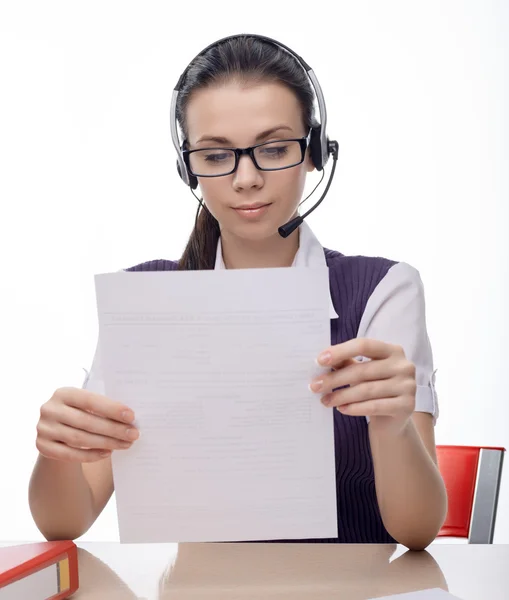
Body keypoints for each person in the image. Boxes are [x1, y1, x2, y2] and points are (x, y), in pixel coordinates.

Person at [29, 34, 447, 550]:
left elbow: (417, 530)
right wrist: (57, 450)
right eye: (215, 155)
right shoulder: (145, 300)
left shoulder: (384, 290)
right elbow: (66, 522)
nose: (246, 179)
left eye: (273, 149)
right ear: (189, 169)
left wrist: (392, 425)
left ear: (313, 154)